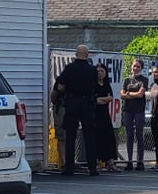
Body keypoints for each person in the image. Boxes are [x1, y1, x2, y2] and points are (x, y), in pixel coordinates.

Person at [56, 45, 98, 176]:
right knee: (89, 136)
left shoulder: (69, 68)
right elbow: (95, 87)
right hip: (87, 103)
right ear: (87, 55)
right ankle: (92, 167)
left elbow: (61, 86)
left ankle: (69, 167)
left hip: (73, 102)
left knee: (70, 136)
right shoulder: (92, 70)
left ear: (76, 54)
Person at [120, 58, 148, 171]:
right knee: (129, 135)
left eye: (138, 67)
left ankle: (140, 161)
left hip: (139, 110)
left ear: (141, 68)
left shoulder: (144, 80)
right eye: (134, 66)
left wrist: (128, 93)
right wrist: (131, 94)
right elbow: (122, 95)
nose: (135, 68)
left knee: (139, 135)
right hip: (127, 109)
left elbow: (140, 94)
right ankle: (129, 161)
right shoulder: (126, 80)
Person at [95, 62, 120, 172]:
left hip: (105, 114)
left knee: (109, 137)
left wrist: (102, 99)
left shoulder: (106, 84)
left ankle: (110, 162)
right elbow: (94, 100)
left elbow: (110, 98)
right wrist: (102, 99)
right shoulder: (92, 84)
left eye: (102, 71)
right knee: (96, 138)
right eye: (98, 71)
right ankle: (95, 162)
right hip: (95, 115)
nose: (100, 73)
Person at [50, 80, 67, 172]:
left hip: (72, 108)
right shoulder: (61, 81)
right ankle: (63, 162)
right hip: (61, 108)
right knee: (61, 136)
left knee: (70, 136)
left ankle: (69, 160)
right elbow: (53, 95)